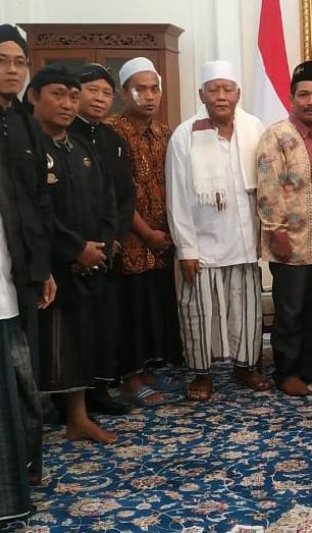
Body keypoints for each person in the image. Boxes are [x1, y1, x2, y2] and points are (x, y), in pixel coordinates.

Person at [166, 60, 268, 401]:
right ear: (202, 94)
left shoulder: (254, 127)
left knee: (245, 311)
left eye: (227, 89)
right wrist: (186, 249)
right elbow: (177, 196)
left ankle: (245, 368)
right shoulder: (186, 134)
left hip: (243, 239)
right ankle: (201, 373)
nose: (221, 96)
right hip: (203, 243)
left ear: (238, 93)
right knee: (200, 312)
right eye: (214, 90)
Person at [29, 65, 117, 444]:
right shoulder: (28, 147)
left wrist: (105, 241)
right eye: (58, 95)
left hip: (89, 262)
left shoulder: (80, 146)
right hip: (49, 266)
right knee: (47, 347)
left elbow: (107, 197)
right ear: (34, 96)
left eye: (72, 96)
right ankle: (37, 423)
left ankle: (77, 419)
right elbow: (34, 210)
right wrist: (75, 248)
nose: (67, 104)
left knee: (80, 341)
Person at [257, 61, 312, 397]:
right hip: (291, 241)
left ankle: (310, 365)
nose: (311, 101)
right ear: (292, 98)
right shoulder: (276, 136)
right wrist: (276, 233)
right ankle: (286, 372)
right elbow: (267, 187)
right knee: (289, 313)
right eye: (303, 94)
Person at [0, 23, 53, 521]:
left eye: (19, 62)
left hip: (18, 277)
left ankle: (24, 476)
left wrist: (42, 269)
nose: (12, 70)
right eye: (2, 60)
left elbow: (37, 202)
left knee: (23, 386)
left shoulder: (23, 123)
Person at [108, 57, 182, 407]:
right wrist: (146, 232)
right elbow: (117, 194)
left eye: (154, 89)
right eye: (140, 89)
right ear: (124, 92)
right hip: (132, 241)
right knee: (131, 310)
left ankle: (149, 371)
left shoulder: (166, 132)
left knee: (155, 307)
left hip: (162, 241)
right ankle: (130, 380)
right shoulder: (112, 132)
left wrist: (166, 233)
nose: (149, 96)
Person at [70, 63, 135, 415]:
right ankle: (69, 399)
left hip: (107, 251)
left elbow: (123, 195)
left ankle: (99, 391)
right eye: (92, 90)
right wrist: (81, 246)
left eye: (106, 92)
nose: (99, 98)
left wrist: (113, 240)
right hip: (73, 253)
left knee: (105, 324)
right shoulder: (63, 135)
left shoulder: (112, 139)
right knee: (74, 330)